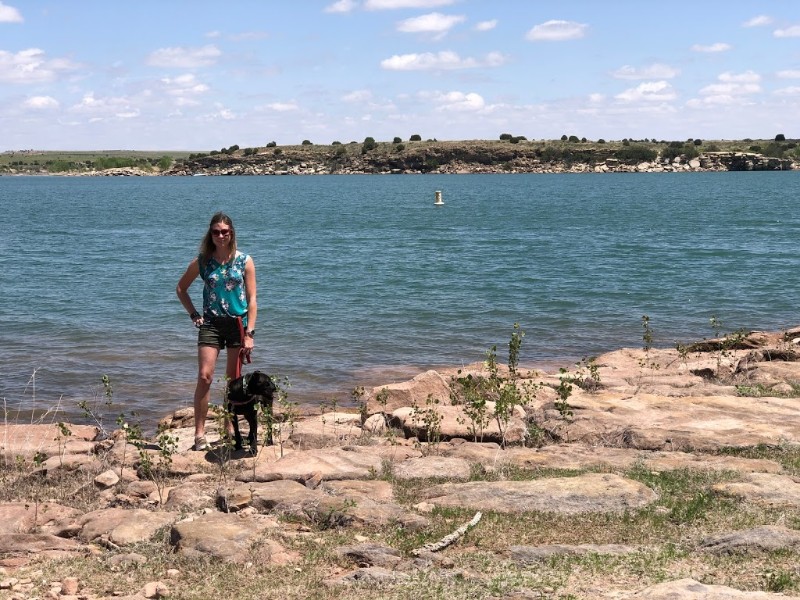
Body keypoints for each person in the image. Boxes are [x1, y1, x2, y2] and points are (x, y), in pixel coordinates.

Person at [176, 212, 257, 451]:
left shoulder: (244, 261)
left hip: (236, 325)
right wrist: (194, 315)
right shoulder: (203, 261)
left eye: (225, 231)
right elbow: (181, 289)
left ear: (232, 233)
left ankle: (228, 427)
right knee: (205, 376)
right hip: (210, 323)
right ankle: (199, 434)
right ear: (210, 234)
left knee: (233, 381)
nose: (220, 235)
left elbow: (252, 300)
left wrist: (250, 333)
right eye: (216, 231)